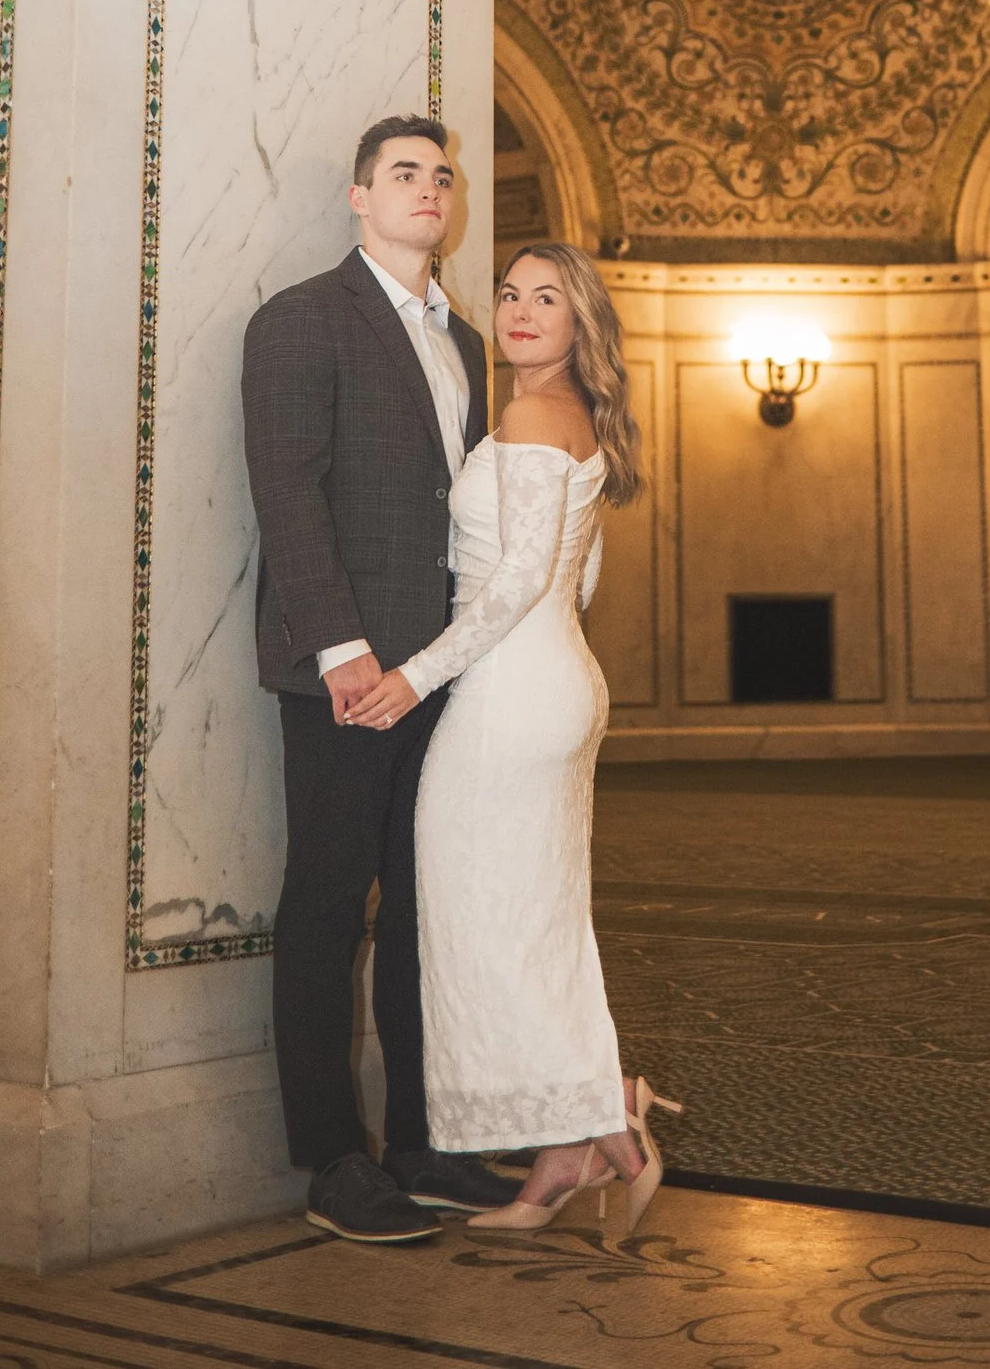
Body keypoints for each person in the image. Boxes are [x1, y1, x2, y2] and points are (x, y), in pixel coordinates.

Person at [344, 241, 679, 1237]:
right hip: (559, 681)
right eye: (511, 293)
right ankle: (569, 1145)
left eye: (549, 297)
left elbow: (523, 579)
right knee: (528, 920)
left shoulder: (534, 413)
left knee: (483, 923)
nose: (524, 310)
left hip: (508, 695)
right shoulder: (574, 418)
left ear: (580, 322)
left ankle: (603, 1114)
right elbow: (579, 580)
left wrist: (413, 676)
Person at [241, 116, 515, 1245]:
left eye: (440, 176)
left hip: (442, 671)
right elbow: (288, 494)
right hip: (350, 674)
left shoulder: (465, 337)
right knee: (324, 902)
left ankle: (420, 1142)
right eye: (403, 174)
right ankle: (330, 1160)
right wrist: (345, 652)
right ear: (358, 197)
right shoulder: (301, 318)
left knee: (421, 908)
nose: (428, 189)